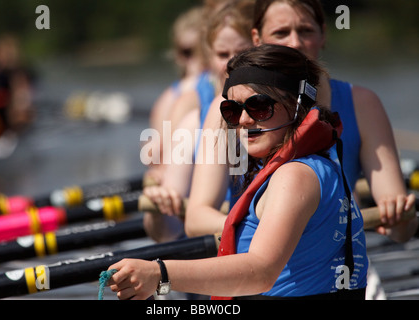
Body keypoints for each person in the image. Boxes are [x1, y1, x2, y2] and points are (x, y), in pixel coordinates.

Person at [107, 45, 369, 300]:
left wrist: (159, 273)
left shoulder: (295, 176)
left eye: (259, 106)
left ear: (297, 105)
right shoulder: (318, 163)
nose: (243, 120)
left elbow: (261, 271)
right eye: (232, 110)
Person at [185, 0, 418, 243]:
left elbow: (401, 232)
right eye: (281, 32)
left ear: (323, 35)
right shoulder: (226, 109)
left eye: (305, 31)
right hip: (255, 256)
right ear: (257, 38)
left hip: (336, 268)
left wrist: (401, 218)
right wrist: (275, 226)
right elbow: (196, 219)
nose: (295, 42)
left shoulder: (363, 104)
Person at [142, 0, 254, 243]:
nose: (232, 63)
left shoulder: (287, 112)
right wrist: (159, 207)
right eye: (223, 54)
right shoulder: (191, 114)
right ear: (210, 58)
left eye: (242, 52)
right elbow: (166, 234)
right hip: (213, 237)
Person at [144, 6, 207, 186]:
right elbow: (153, 155)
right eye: (187, 52)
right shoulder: (171, 97)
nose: (194, 60)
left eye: (201, 50)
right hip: (179, 183)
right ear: (177, 54)